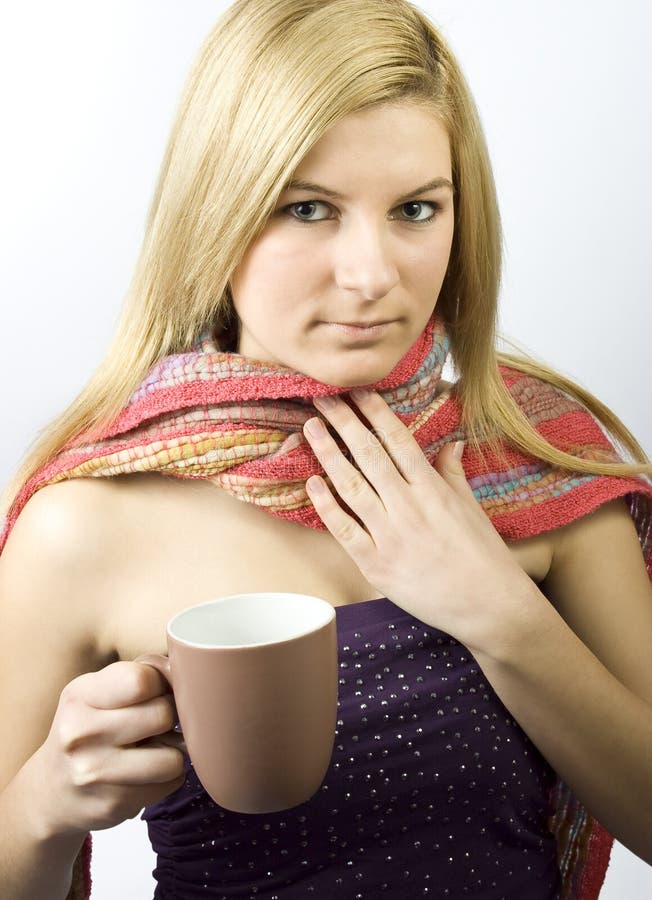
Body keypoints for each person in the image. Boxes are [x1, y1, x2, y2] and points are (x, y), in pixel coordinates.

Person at [1, 0, 651, 898]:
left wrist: (501, 617)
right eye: (308, 209)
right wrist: (40, 807)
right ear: (214, 216)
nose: (372, 275)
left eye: (416, 209)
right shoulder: (85, 523)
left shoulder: (535, 457)